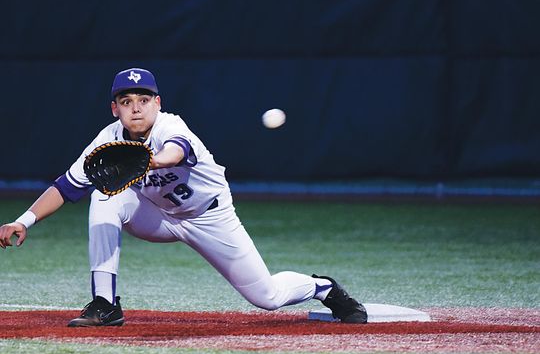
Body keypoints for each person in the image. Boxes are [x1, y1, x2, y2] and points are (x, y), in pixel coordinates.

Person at [0, 68, 367, 326]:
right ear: (115, 108)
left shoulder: (171, 126)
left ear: (157, 102)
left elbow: (175, 152)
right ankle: (105, 304)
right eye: (126, 101)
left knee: (267, 297)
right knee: (105, 196)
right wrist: (23, 220)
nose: (136, 107)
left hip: (210, 217)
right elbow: (65, 187)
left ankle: (323, 287)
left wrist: (149, 161)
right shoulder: (108, 139)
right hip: (157, 217)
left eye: (144, 99)